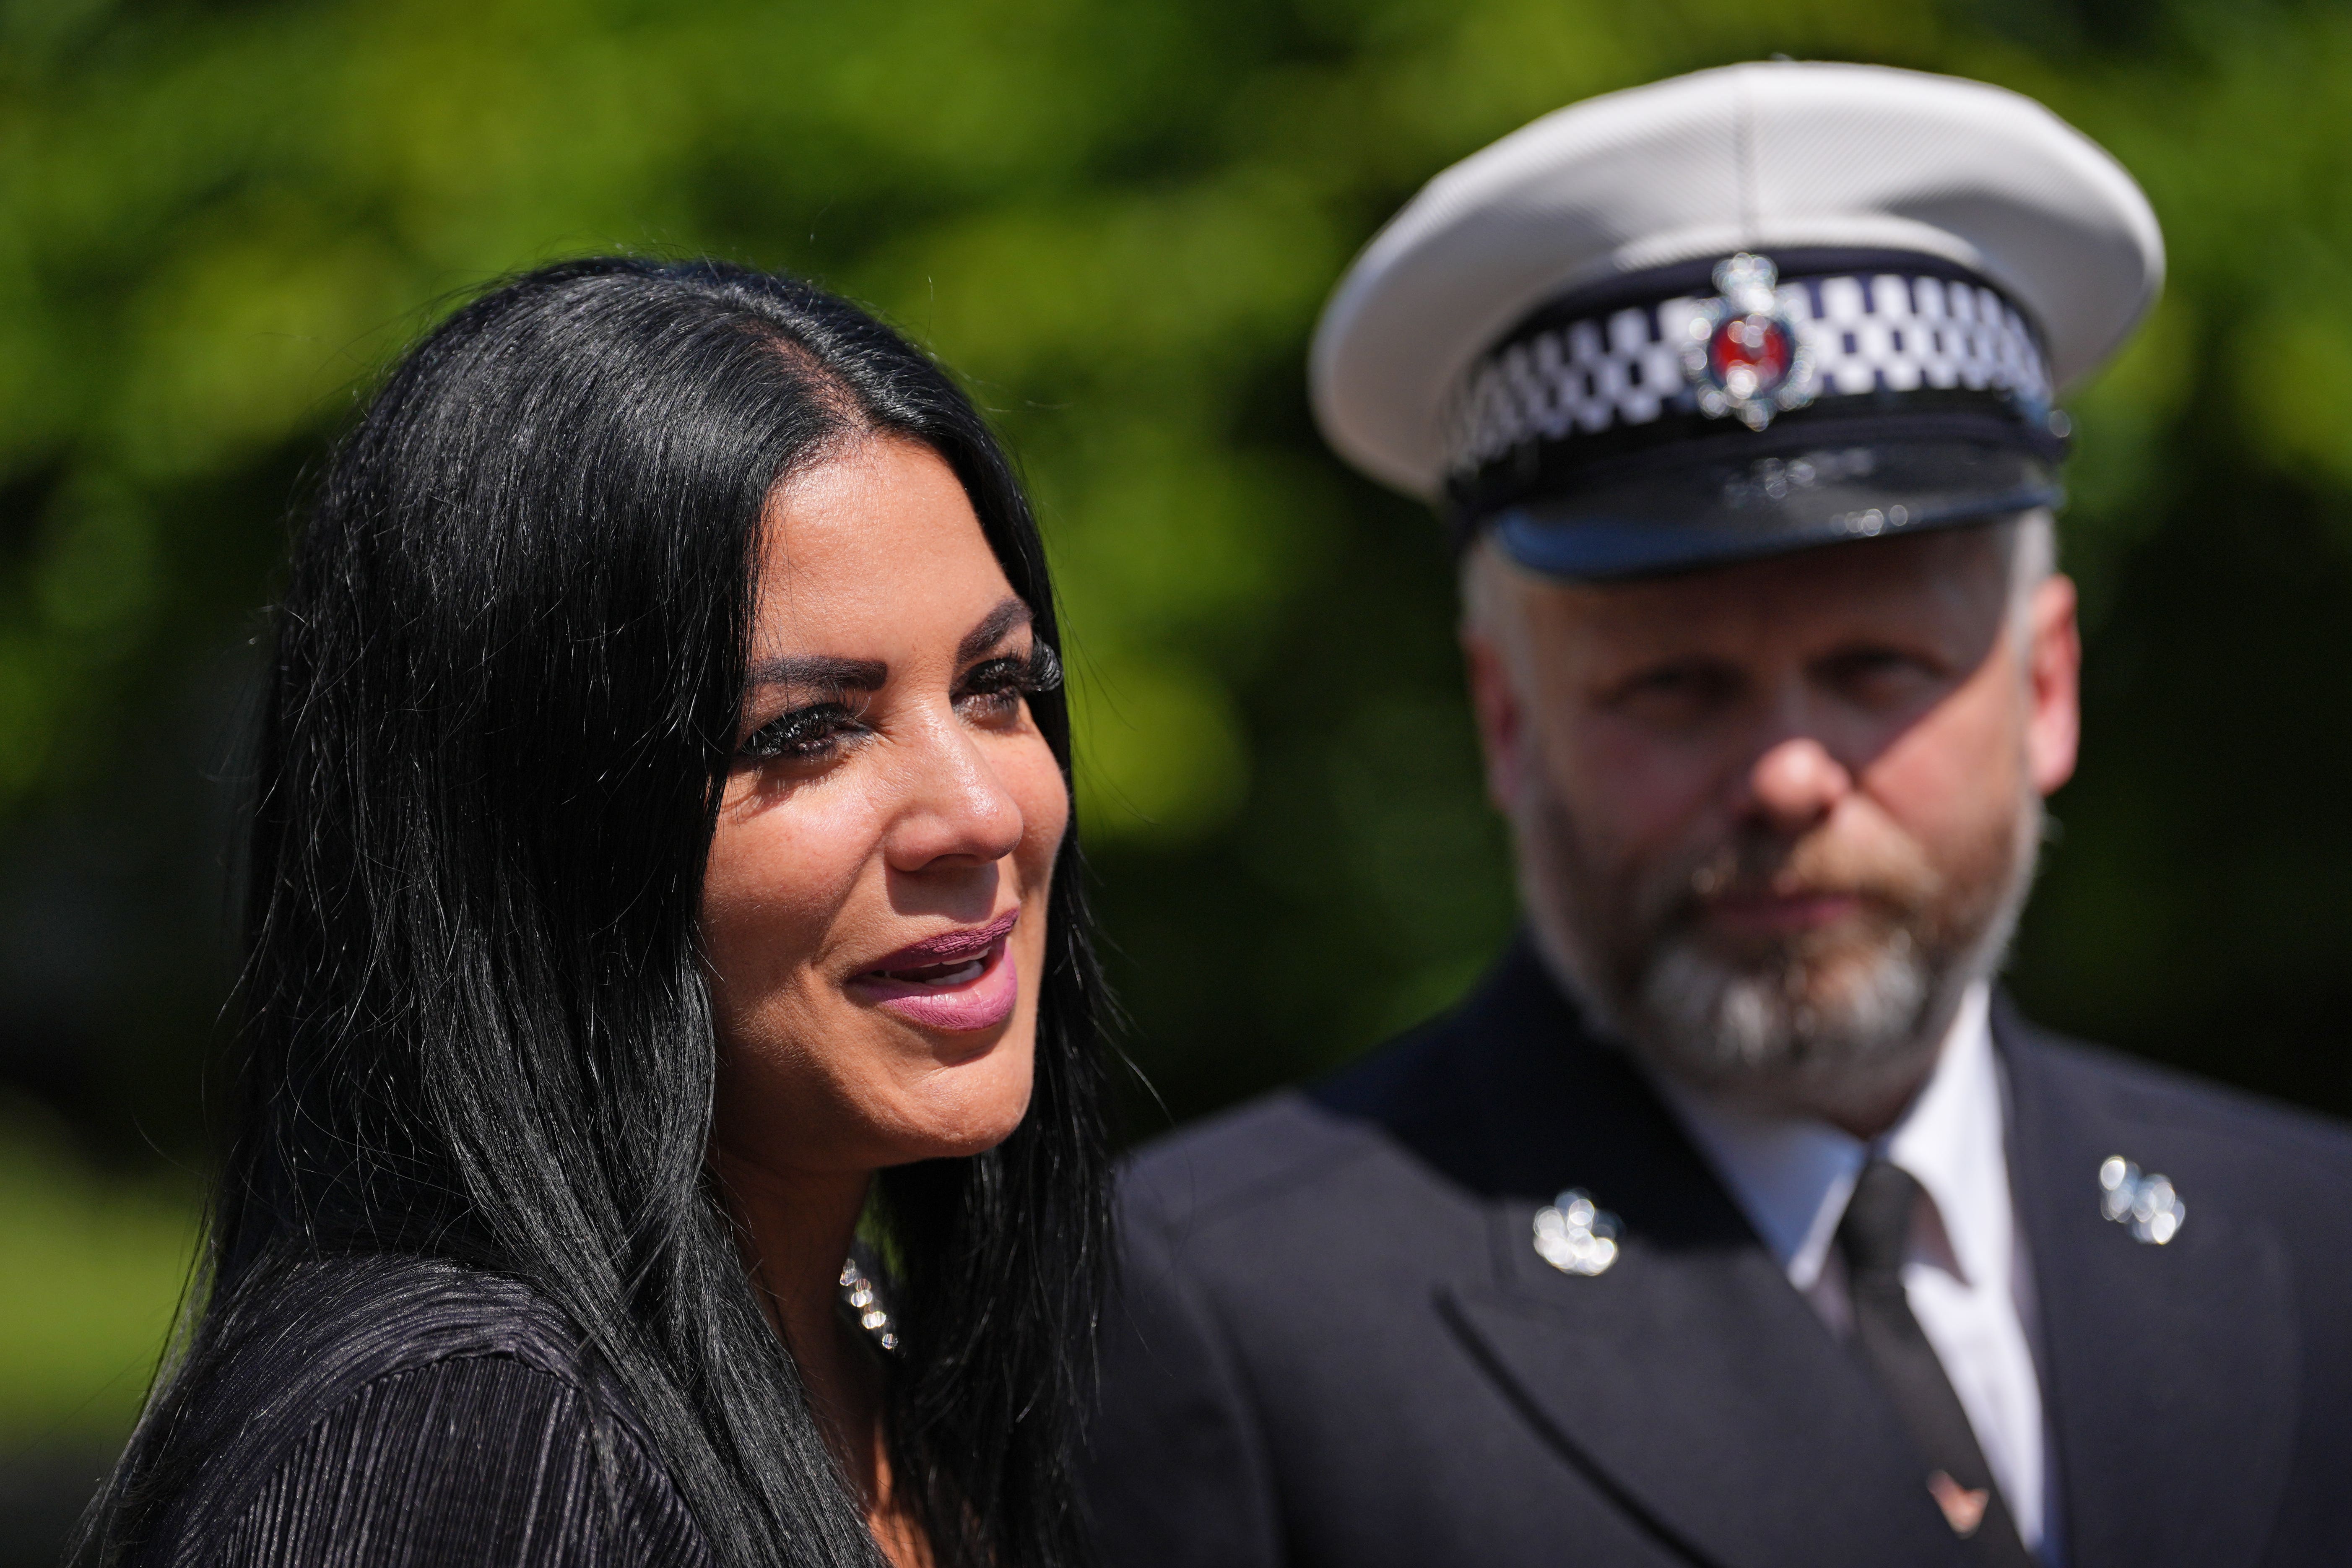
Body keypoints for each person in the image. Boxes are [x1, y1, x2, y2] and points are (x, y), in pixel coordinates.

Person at [1083, 61, 2352, 1568]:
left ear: (2048, 685)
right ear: (1504, 719)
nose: (1786, 777)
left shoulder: (2312, 1237)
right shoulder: (1232, 1306)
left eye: (1877, 668)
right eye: (1672, 686)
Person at [86, 259, 1111, 1568]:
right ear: (533, 833)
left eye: (996, 684)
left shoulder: (873, 1340)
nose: (978, 810)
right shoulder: (460, 1433)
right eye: (806, 731)